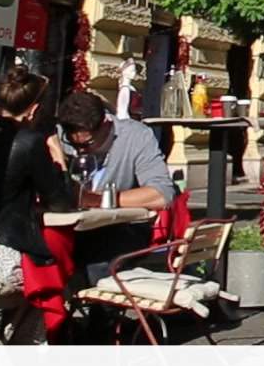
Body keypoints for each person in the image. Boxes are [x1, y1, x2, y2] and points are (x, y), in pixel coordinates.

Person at [0, 66, 71, 337]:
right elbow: (60, 203)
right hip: (10, 257)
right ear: (35, 109)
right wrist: (58, 156)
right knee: (61, 265)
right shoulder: (30, 142)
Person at [56, 90, 177, 280]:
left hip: (120, 229)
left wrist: (100, 199)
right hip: (71, 230)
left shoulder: (136, 136)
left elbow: (162, 195)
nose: (80, 151)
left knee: (98, 267)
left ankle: (101, 308)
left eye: (87, 144)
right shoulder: (60, 137)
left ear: (105, 123)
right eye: (73, 144)